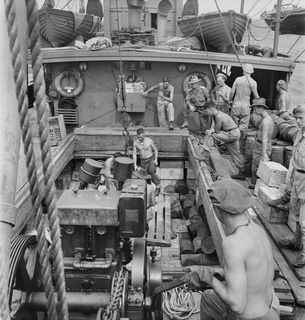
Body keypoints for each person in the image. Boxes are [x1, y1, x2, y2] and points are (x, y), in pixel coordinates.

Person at [185, 178, 280, 320]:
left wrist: (210, 280)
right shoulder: (258, 230)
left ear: (217, 209)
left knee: (217, 300)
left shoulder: (232, 244)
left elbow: (237, 305)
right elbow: (251, 272)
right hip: (271, 310)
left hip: (252, 317)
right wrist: (218, 273)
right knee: (208, 299)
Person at [278, 104, 305, 267]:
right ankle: (296, 241)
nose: (298, 121)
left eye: (301, 118)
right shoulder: (299, 134)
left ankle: (304, 255)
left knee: (304, 220)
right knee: (294, 210)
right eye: (297, 118)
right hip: (297, 177)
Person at [203, 103, 245, 179]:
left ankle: (205, 153)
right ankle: (242, 172)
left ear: (211, 109)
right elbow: (213, 127)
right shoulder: (215, 115)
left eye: (207, 111)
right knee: (236, 153)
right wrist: (210, 130)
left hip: (231, 134)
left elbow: (217, 131)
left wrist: (210, 132)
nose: (206, 114)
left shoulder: (219, 116)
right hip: (234, 132)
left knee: (211, 136)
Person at [229, 63, 259, 152]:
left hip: (236, 106)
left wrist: (230, 101)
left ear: (244, 71)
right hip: (246, 107)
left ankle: (232, 147)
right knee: (243, 129)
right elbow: (256, 96)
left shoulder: (238, 79)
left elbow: (232, 92)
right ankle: (240, 149)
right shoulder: (253, 82)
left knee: (233, 127)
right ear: (251, 72)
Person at [250, 98, 274, 186]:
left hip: (261, 146)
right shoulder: (267, 118)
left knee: (257, 167)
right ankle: (256, 186)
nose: (254, 110)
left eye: (255, 108)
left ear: (261, 108)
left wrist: (264, 153)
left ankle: (256, 187)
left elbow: (264, 138)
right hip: (265, 144)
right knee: (259, 167)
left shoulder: (265, 121)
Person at [133, 127, 161, 195]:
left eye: (141, 137)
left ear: (144, 134)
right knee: (143, 175)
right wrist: (135, 165)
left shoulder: (149, 141)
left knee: (151, 172)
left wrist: (156, 159)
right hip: (143, 161)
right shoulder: (135, 142)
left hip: (150, 159)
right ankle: (148, 190)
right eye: (139, 137)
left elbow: (155, 150)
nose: (140, 138)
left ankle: (158, 187)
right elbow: (134, 154)